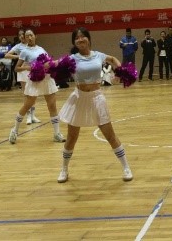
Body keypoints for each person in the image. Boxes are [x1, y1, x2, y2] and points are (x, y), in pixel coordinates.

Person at [56, 27, 133, 183]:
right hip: (78, 98)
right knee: (71, 137)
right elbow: (54, 64)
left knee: (110, 135)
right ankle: (64, 169)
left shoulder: (98, 55)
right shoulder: (72, 58)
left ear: (89, 39)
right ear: (74, 42)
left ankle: (126, 167)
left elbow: (112, 59)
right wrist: (38, 66)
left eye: (83, 36)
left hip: (96, 98)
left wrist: (120, 71)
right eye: (77, 38)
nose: (80, 39)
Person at [8, 28, 65, 145]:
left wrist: (54, 64)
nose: (29, 37)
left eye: (31, 35)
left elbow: (47, 62)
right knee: (27, 105)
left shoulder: (41, 49)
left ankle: (57, 133)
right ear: (25, 38)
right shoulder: (24, 51)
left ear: (35, 36)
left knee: (52, 106)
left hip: (47, 78)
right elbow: (16, 68)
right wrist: (28, 67)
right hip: (34, 80)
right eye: (27, 36)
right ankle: (14, 130)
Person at [6, 29, 40, 125]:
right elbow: (7, 55)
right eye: (19, 35)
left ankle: (33, 115)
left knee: (33, 93)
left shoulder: (32, 44)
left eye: (22, 34)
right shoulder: (18, 46)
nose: (21, 36)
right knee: (26, 93)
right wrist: (20, 56)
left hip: (32, 70)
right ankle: (28, 115)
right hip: (22, 70)